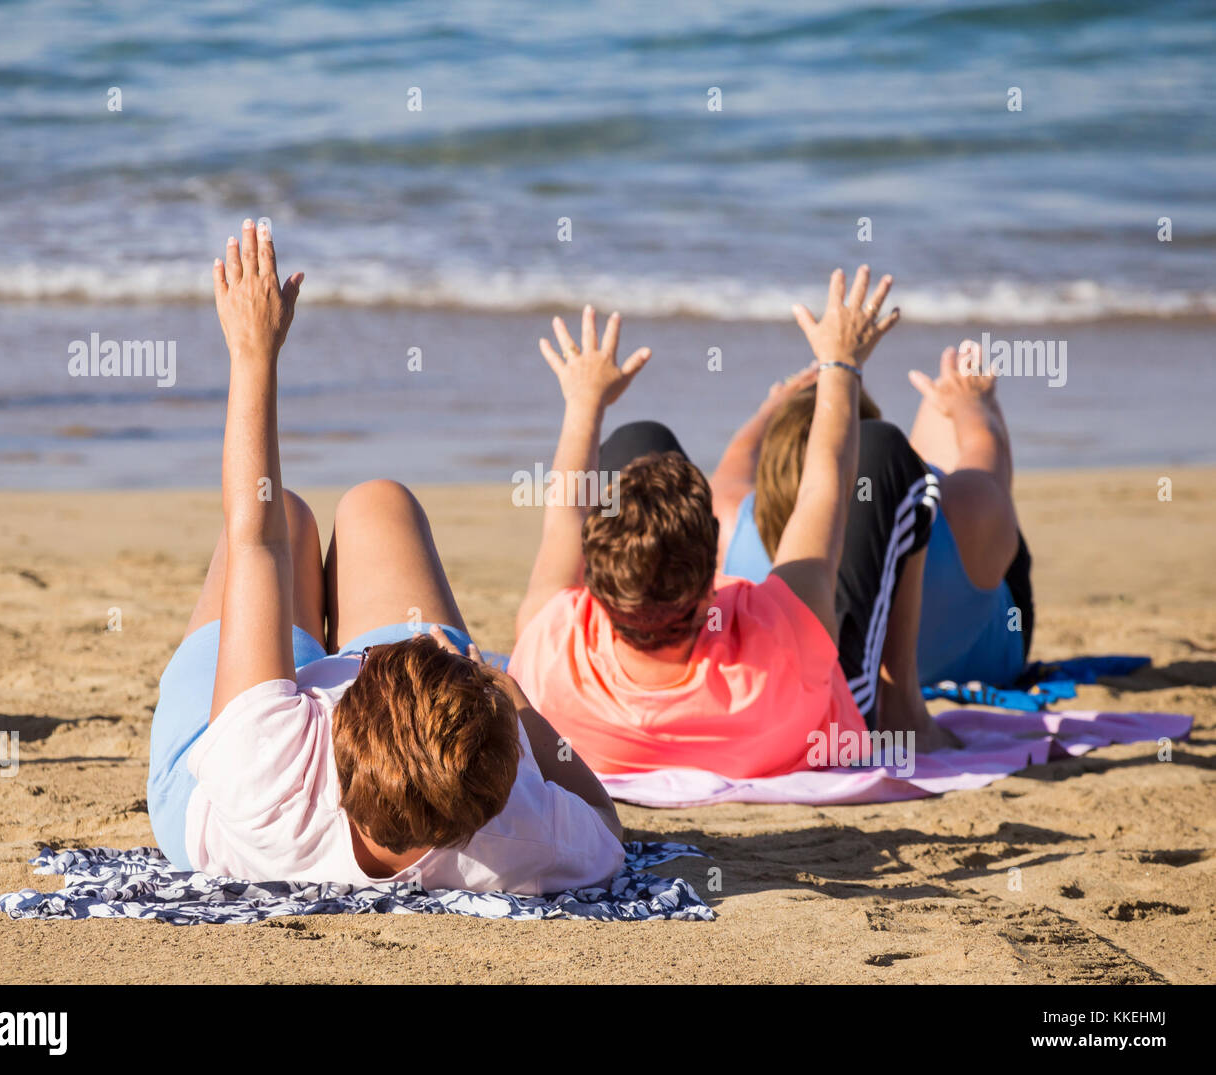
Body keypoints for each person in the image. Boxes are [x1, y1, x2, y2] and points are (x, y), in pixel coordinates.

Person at [147, 220, 624, 894]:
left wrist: (254, 353)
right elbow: (605, 822)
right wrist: (510, 698)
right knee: (378, 502)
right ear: (498, 775)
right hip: (415, 761)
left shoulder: (259, 767)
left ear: (341, 712)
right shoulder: (517, 834)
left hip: (217, 783)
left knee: (284, 514)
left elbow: (256, 537)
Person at [509, 267, 957, 780]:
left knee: (640, 439)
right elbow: (825, 485)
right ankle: (906, 711)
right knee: (882, 450)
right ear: (713, 579)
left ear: (595, 583)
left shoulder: (550, 641)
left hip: (609, 732)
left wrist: (584, 399)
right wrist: (841, 362)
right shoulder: (790, 634)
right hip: (810, 721)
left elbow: (567, 510)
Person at [714, 341, 1033, 691]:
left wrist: (773, 406)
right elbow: (987, 449)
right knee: (944, 403)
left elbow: (740, 453)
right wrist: (973, 404)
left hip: (832, 675)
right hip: (979, 666)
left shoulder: (729, 522)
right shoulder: (972, 507)